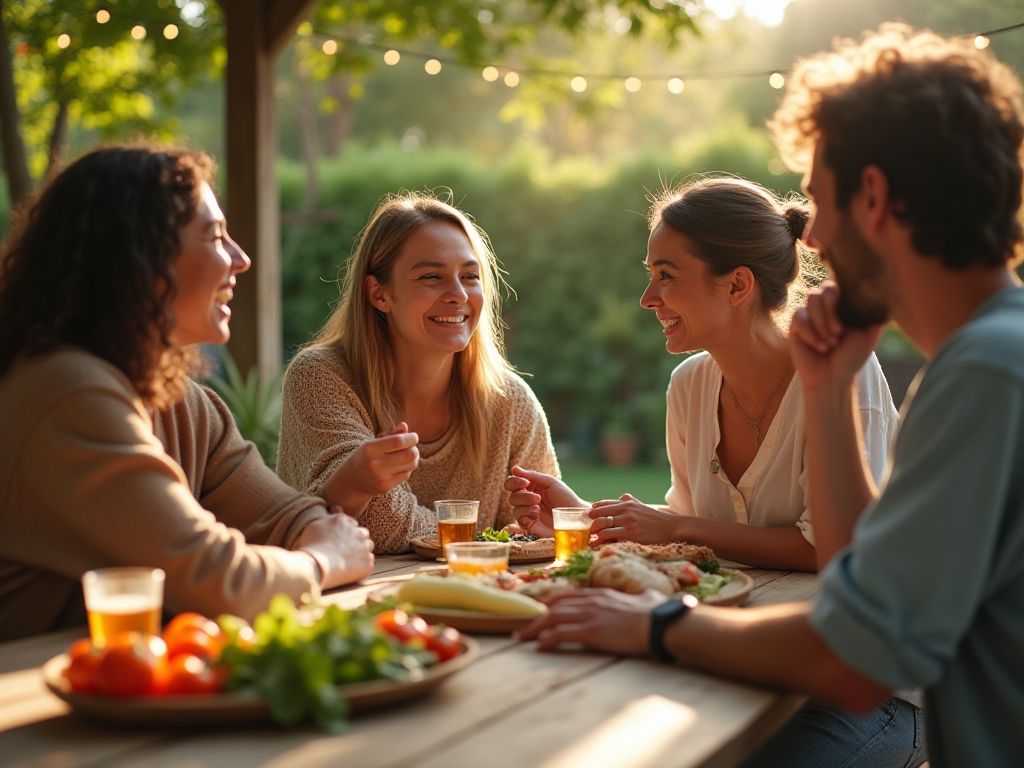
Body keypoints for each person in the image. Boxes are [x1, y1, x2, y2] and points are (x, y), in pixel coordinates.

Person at [521, 23, 1024, 767]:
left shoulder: (987, 373)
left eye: (818, 203)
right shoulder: (985, 355)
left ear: (875, 197)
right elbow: (861, 587)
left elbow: (859, 658)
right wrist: (826, 387)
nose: (810, 238)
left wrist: (654, 624)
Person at [0, 145, 378, 642]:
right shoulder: (66, 391)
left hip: (128, 680)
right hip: (32, 698)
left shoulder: (184, 402)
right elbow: (215, 579)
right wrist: (322, 560)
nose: (241, 260)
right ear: (142, 256)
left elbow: (280, 515)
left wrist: (314, 532)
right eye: (216, 236)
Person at [508, 177, 897, 572]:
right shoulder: (689, 385)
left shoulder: (842, 377)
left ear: (737, 285)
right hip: (727, 616)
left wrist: (675, 528)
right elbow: (687, 533)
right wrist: (584, 518)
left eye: (666, 275)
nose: (647, 299)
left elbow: (834, 548)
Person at [277, 194, 558, 553]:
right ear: (379, 294)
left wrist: (533, 530)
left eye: (470, 276)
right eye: (431, 277)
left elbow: (539, 533)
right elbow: (376, 523)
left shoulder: (510, 403)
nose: (458, 294)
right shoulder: (320, 378)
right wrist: (488, 543)